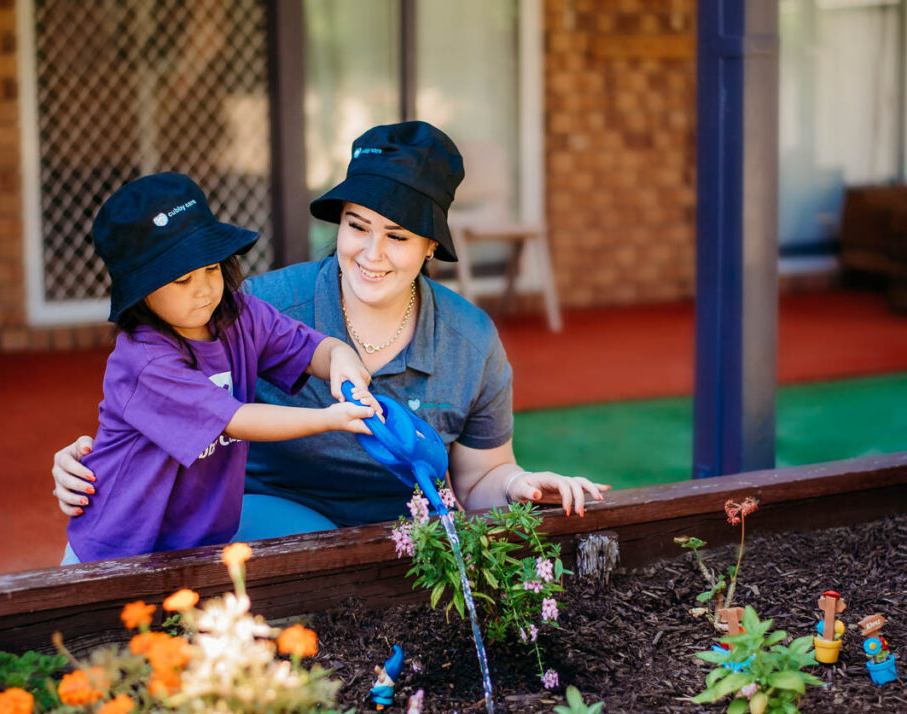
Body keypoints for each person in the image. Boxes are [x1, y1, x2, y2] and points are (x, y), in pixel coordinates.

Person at [53, 122, 607, 543]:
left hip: (398, 539)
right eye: (356, 226)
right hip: (259, 527)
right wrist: (85, 463)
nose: (371, 253)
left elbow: (478, 478)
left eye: (397, 236)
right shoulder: (250, 305)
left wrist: (515, 485)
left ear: (430, 246)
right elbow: (159, 392)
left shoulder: (470, 339)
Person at [62, 172, 379, 563]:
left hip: (197, 539)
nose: (205, 289)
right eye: (182, 280)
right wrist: (329, 418)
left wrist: (339, 355)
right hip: (120, 547)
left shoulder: (238, 315)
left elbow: (308, 348)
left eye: (212, 268)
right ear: (140, 292)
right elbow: (236, 419)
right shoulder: (145, 360)